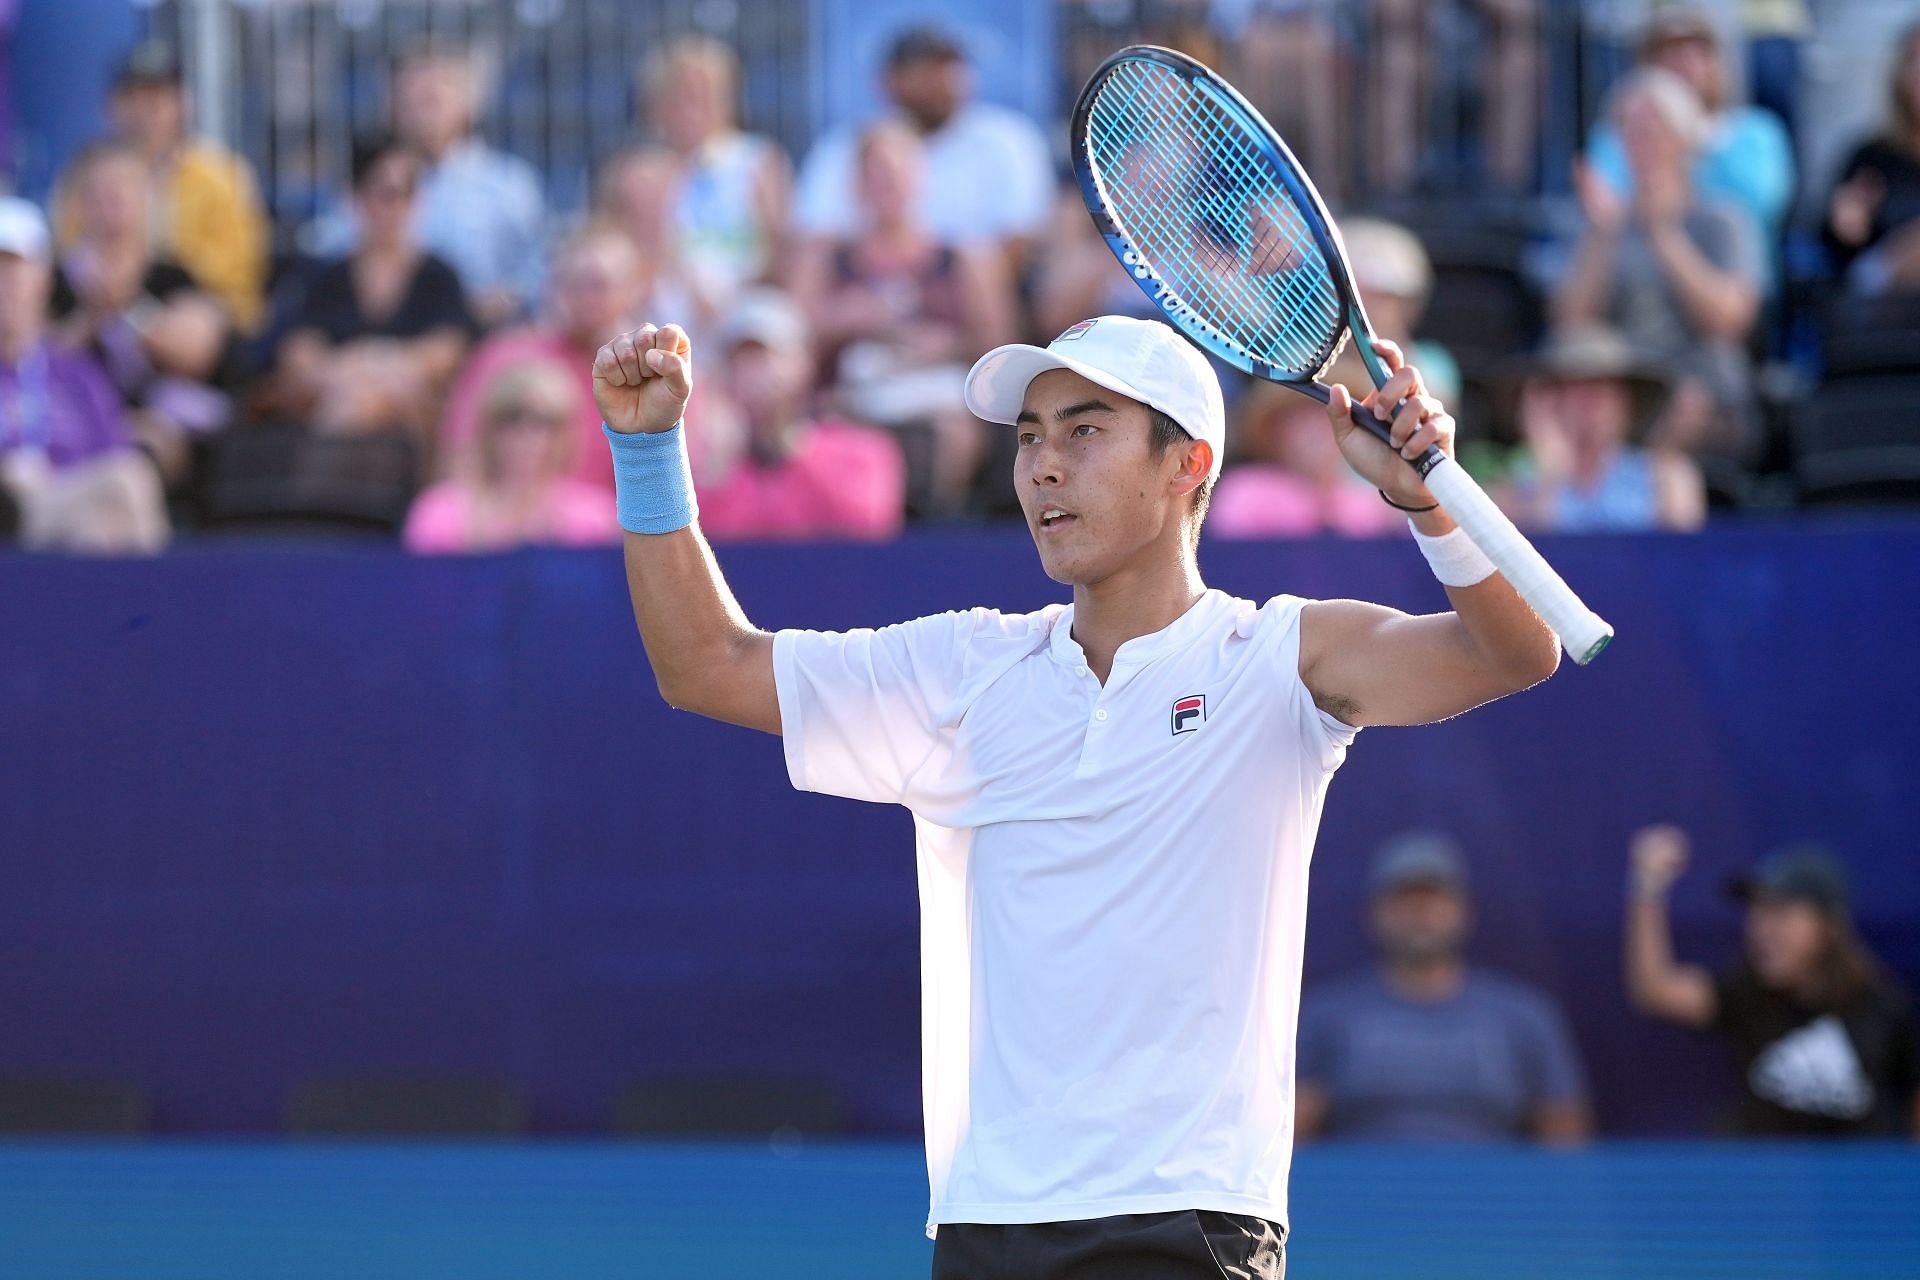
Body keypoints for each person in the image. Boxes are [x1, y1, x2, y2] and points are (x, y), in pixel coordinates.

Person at [592, 308, 1563, 1276]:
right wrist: (646, 449)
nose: (1043, 466)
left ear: (1187, 464)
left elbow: (1514, 650)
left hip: (1189, 1223)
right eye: (1028, 439)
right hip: (990, 1224)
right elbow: (706, 666)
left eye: (1084, 431)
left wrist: (1432, 500)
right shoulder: (967, 663)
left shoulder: (1279, 653)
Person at [1295, 833, 1594, 1143]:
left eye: (1434, 901)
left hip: (1491, 1188)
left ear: (1465, 912)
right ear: (1373, 915)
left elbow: (1565, 1140)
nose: (1421, 915)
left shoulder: (1525, 1016)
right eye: (1405, 902)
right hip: (1359, 1188)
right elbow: (1289, 1137)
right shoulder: (1327, 1015)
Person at [1625, 826, 1920, 1138]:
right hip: (1768, 1181)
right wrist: (1646, 888)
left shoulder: (1883, 1005)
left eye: (1780, 912)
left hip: (1858, 1182)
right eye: (1756, 912)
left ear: (1827, 925)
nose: (1762, 929)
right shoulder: (1746, 994)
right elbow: (1654, 989)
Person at [790, 120, 1014, 518]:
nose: (888, 186)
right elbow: (788, 344)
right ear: (856, 185)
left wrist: (946, 347)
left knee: (953, 434)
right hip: (851, 396)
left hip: (936, 396)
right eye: (876, 175)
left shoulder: (965, 258)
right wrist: (842, 321)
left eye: (897, 173)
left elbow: (1000, 347)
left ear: (920, 179)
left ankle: (938, 531)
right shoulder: (824, 257)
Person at [1555, 67, 1763, 459]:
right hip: (1623, 384)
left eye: (1653, 128)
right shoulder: (1603, 224)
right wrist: (1602, 234)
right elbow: (1570, 323)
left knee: (1699, 385)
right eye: (1629, 129)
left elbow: (1729, 321)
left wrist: (1664, 236)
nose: (1641, 142)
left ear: (1684, 140)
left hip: (1700, 385)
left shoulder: (1723, 221)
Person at [791, 26, 1055, 271]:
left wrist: (944, 293)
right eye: (926, 70)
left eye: (950, 67)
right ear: (888, 81)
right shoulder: (842, 146)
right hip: (866, 296)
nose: (943, 81)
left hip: (973, 299)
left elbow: (1021, 238)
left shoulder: (1008, 139)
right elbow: (814, 238)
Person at [50, 140, 231, 488]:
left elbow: (195, 353)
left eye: (123, 191)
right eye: (97, 194)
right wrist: (90, 316)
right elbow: (33, 356)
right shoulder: (54, 281)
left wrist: (128, 310)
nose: (111, 206)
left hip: (156, 430)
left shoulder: (173, 277)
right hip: (69, 423)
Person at [270, 135, 474, 443]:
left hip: (415, 425)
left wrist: (373, 364)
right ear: (356, 197)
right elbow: (299, 350)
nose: (396, 206)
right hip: (339, 399)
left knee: (361, 407)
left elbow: (449, 350)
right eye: (385, 193)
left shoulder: (439, 275)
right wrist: (344, 375)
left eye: (407, 193)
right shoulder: (329, 276)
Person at [442, 221, 668, 493]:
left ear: (637, 290)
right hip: (509, 519)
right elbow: (460, 457)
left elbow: (670, 482)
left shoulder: (656, 371)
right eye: (574, 283)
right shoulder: (506, 355)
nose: (587, 298)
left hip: (613, 526)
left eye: (599, 285)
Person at [0, 196, 167, 553]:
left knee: (101, 522)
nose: (4, 284)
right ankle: (165, 602)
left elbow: (112, 456)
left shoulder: (77, 374)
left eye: (13, 267)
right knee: (126, 484)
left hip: (65, 515)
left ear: (42, 278)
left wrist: (52, 480)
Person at [70, 40, 269, 334]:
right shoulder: (85, 174)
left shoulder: (222, 176)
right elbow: (68, 247)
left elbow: (237, 275)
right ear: (111, 106)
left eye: (156, 99)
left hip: (203, 317)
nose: (144, 111)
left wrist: (145, 273)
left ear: (182, 102)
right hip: (101, 310)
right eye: (132, 99)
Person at [695, 288, 904, 542]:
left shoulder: (865, 451)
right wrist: (721, 465)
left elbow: (868, 527)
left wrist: (793, 445)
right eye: (744, 360)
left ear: (804, 362)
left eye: (769, 357)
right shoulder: (708, 463)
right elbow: (707, 549)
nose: (756, 373)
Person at [1583, 6, 1795, 255]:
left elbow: (1756, 208)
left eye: (1697, 52)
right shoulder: (1614, 134)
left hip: (1732, 275)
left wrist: (1686, 158)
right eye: (1670, 53)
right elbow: (1603, 205)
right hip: (1637, 275)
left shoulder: (1757, 132)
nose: (1685, 63)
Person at [1496, 325, 1706, 533]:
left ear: (1626, 403)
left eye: (1606, 391)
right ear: (1551, 401)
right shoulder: (1511, 487)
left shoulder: (1668, 477)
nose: (1595, 404)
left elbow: (1683, 555)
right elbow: (1525, 556)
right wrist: (1549, 474)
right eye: (1582, 390)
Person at [403, 354, 617, 555]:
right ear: (488, 427)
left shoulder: (594, 519)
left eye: (545, 422)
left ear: (566, 434)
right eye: (512, 418)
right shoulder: (440, 513)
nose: (528, 435)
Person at [638, 36, 790, 312]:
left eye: (707, 92)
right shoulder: (643, 171)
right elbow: (639, 257)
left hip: (745, 301)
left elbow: (781, 251)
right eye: (683, 93)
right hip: (671, 300)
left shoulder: (759, 161)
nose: (695, 105)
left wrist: (731, 298)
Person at [1368, 0, 1543, 195]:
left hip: (1485, 57)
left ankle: (1507, 194)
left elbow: (1518, 11)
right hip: (1425, 54)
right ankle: (1393, 193)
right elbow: (1390, 10)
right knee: (1397, 61)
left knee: (1519, 64)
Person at [1210, 381, 1406, 538]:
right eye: (1302, 419)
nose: (1315, 432)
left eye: (1328, 418)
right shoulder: (1243, 491)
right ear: (1278, 432)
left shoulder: (1370, 504)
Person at [1822, 23, 1920, 297]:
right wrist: (1844, 230)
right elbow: (1834, 248)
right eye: (1914, 61)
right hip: (1882, 300)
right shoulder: (1872, 157)